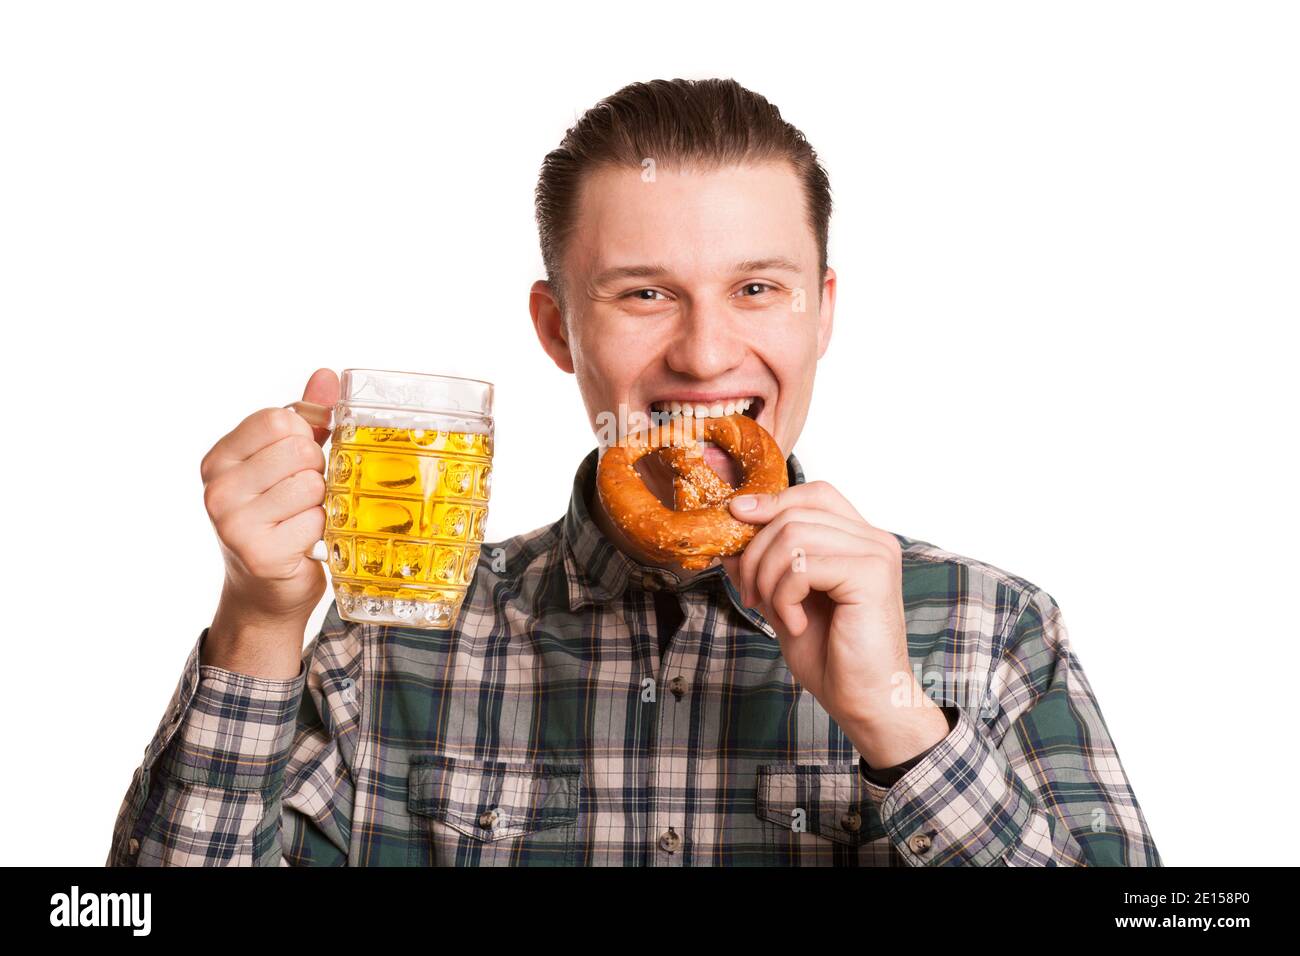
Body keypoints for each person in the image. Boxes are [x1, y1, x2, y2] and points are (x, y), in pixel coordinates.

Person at [107, 78, 1161, 866]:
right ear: (556, 327)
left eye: (756, 286)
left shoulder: (990, 629)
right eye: (644, 294)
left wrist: (898, 719)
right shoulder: (392, 637)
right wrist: (257, 619)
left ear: (822, 310)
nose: (706, 354)